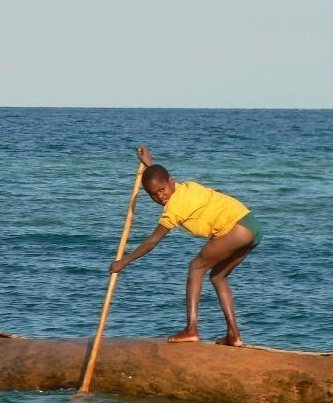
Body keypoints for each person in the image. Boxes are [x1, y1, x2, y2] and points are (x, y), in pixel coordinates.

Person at [109, 145, 262, 346]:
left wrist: (124, 262)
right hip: (253, 227)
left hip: (236, 228)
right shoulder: (183, 188)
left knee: (195, 268)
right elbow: (161, 178)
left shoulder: (174, 208)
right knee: (218, 276)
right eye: (153, 194)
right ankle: (234, 335)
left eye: (162, 191)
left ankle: (191, 330)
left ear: (171, 182)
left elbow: (153, 240)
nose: (160, 197)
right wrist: (150, 164)